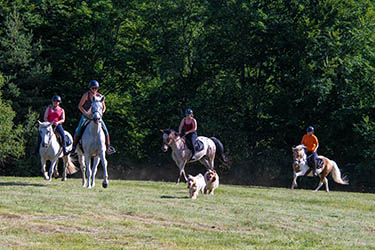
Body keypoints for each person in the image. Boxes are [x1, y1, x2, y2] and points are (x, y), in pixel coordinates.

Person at [70, 80, 115, 155]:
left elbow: (104, 107)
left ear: (97, 88)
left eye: (96, 88)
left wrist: (101, 113)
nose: (94, 90)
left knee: (105, 130)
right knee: (79, 129)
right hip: (86, 116)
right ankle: (74, 147)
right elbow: (80, 106)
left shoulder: (100, 96)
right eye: (92, 88)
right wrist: (86, 114)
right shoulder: (86, 95)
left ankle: (108, 148)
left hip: (97, 116)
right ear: (90, 88)